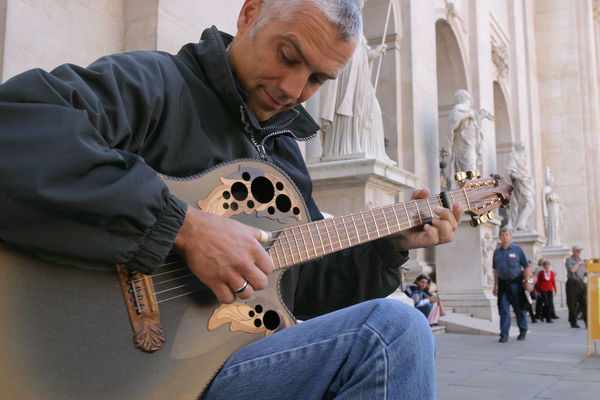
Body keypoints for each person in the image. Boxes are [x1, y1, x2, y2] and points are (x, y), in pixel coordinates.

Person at [0, 1, 462, 398]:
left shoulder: (285, 157)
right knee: (391, 333)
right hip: (92, 365)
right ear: (249, 13)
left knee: (392, 326)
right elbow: (15, 129)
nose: (292, 90)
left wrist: (389, 245)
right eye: (287, 56)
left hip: (218, 372)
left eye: (317, 79)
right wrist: (181, 227)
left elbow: (303, 289)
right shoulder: (156, 84)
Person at [319, 0, 393, 163]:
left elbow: (363, 52)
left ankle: (364, 145)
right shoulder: (339, 22)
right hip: (346, 74)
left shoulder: (359, 31)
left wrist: (374, 53)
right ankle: (342, 146)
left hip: (359, 75)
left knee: (373, 110)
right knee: (346, 108)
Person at [493, 227, 533, 342]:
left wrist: (528, 282)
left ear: (511, 236)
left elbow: (526, 266)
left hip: (516, 283)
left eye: (507, 234)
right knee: (504, 309)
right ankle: (504, 334)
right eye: (502, 235)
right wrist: (495, 285)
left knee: (519, 308)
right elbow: (495, 270)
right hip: (503, 284)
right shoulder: (497, 252)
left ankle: (523, 330)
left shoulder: (518, 250)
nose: (504, 237)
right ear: (500, 237)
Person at [447, 89, 493, 182]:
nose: (469, 101)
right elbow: (454, 121)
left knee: (472, 165)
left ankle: (470, 186)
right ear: (463, 98)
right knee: (467, 166)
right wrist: (467, 115)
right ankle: (468, 186)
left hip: (471, 144)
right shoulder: (458, 109)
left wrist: (482, 117)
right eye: (468, 98)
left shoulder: (469, 111)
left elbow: (474, 127)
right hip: (462, 143)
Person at [505, 140, 535, 231]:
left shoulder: (523, 157)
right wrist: (520, 178)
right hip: (519, 183)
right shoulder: (514, 156)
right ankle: (519, 224)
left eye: (524, 147)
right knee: (530, 204)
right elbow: (509, 170)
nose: (524, 149)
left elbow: (524, 171)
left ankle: (520, 224)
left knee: (525, 204)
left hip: (526, 183)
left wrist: (528, 178)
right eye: (522, 147)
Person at [565, 245, 587, 328]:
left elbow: (585, 272)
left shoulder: (581, 261)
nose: (579, 252)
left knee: (585, 303)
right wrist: (578, 264)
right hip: (572, 283)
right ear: (573, 251)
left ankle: (587, 323)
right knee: (572, 304)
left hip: (581, 283)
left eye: (580, 251)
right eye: (577, 251)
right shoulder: (569, 260)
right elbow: (572, 270)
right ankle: (573, 322)